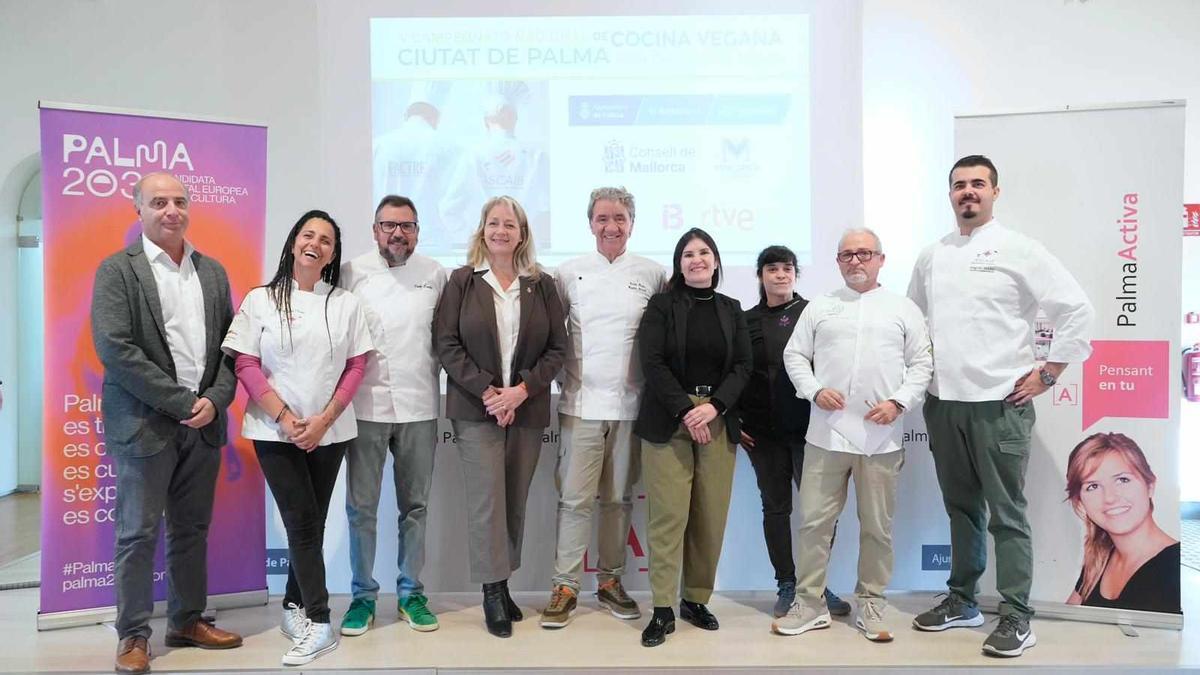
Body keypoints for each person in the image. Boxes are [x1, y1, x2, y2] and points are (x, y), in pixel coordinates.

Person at [907, 155, 1095, 657]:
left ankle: (1016, 615)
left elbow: (1076, 309)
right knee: (961, 509)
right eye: (959, 185)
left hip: (1000, 404)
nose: (968, 192)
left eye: (977, 184)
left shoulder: (1021, 250)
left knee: (1006, 515)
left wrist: (1050, 371)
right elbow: (913, 324)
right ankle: (963, 601)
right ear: (949, 194)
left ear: (994, 191)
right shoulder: (931, 256)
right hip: (944, 405)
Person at [91, 172, 243, 675]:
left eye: (179, 200)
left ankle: (186, 619)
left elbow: (230, 346)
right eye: (159, 202)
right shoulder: (118, 271)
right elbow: (117, 349)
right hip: (145, 425)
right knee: (137, 533)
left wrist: (216, 401)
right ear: (139, 209)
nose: (171, 210)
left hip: (202, 425)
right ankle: (133, 635)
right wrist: (182, 402)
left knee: (191, 530)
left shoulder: (213, 272)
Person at [222, 210, 374, 666]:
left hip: (331, 431)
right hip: (274, 430)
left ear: (332, 254)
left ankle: (293, 605)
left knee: (312, 520)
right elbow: (245, 363)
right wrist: (286, 418)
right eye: (308, 235)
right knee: (302, 523)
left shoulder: (344, 302)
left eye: (326, 240)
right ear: (293, 243)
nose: (316, 244)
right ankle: (322, 621)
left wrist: (325, 419)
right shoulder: (261, 299)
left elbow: (356, 366)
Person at [776, 229, 932, 642]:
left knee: (877, 528)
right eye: (846, 255)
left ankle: (872, 603)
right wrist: (813, 390)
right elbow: (794, 354)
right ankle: (810, 604)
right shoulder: (821, 307)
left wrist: (899, 402)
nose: (855, 261)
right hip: (825, 437)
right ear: (837, 262)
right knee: (813, 523)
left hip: (881, 440)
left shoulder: (904, 309)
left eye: (863, 253)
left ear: (881, 259)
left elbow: (921, 364)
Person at [434, 195, 567, 638]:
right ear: (482, 230)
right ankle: (492, 592)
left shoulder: (541, 284)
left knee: (514, 499)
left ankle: (503, 583)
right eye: (494, 223)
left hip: (526, 409)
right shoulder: (462, 281)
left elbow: (557, 350)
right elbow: (447, 344)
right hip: (477, 409)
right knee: (488, 499)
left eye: (510, 224)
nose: (501, 231)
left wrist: (522, 391)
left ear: (522, 233)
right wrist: (489, 392)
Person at [540, 187, 667, 629]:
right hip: (580, 404)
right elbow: (553, 338)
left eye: (620, 218)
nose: (611, 226)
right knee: (575, 501)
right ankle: (565, 586)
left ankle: (611, 581)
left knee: (617, 499)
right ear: (590, 223)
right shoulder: (568, 272)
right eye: (602, 218)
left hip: (631, 407)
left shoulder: (653, 274)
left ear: (632, 222)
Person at [635, 227, 752, 647]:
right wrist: (687, 410)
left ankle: (695, 599)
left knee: (709, 515)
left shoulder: (732, 308)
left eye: (704, 252)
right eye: (688, 254)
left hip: (717, 417)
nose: (696, 259)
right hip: (669, 419)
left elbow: (742, 365)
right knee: (668, 517)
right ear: (678, 264)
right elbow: (652, 362)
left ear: (716, 261)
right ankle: (663, 607)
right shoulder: (661, 305)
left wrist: (714, 407)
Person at [338, 195, 448, 636]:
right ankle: (363, 596)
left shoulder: (436, 274)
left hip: (420, 406)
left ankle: (411, 593)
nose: (397, 233)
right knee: (361, 508)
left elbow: (446, 341)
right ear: (375, 230)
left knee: (415, 506)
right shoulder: (351, 273)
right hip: (364, 407)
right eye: (388, 225)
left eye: (406, 226)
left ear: (417, 231)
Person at [735, 245, 851, 620]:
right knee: (776, 508)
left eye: (787, 268)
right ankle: (787, 583)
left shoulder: (812, 314)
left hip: (812, 432)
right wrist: (733, 420)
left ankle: (813, 586)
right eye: (772, 268)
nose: (780, 274)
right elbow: (734, 373)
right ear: (760, 275)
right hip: (761, 435)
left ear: (796, 274)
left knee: (818, 512)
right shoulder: (745, 320)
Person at [1065, 432, 1180, 614]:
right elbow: (1065, 626)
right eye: (1092, 486)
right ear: (1080, 502)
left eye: (1122, 480)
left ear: (1149, 486)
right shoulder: (1099, 559)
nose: (1109, 497)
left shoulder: (1175, 566)